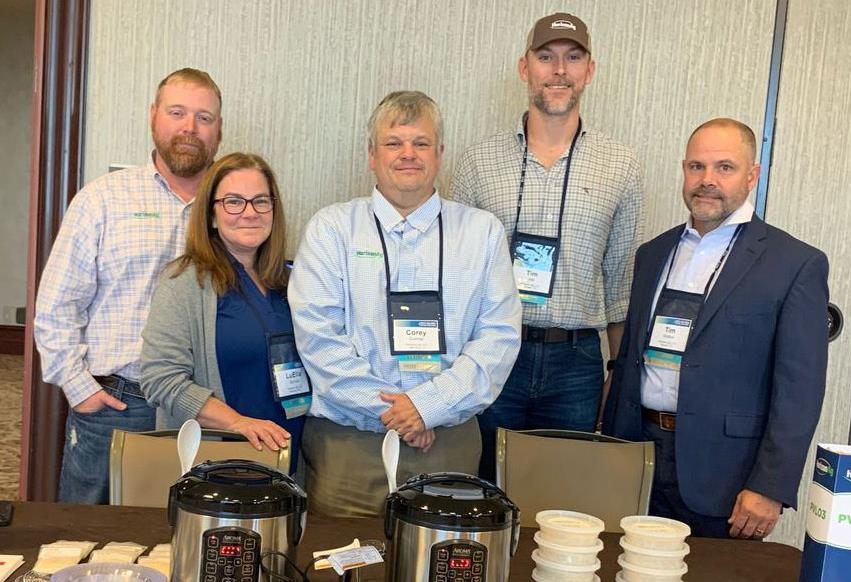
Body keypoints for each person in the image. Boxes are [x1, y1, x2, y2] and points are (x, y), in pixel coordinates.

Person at [290, 90, 522, 516]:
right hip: (349, 448)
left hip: (447, 443)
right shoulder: (332, 229)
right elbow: (318, 338)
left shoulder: (482, 232)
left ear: (440, 153)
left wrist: (427, 407)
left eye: (421, 143)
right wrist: (401, 413)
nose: (407, 154)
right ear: (371, 155)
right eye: (393, 143)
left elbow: (498, 340)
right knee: (343, 567)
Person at [602, 118, 829, 539]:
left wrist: (770, 485)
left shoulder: (794, 264)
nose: (707, 181)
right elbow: (633, 359)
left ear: (752, 175)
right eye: (696, 167)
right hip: (637, 459)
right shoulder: (653, 254)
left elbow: (800, 389)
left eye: (724, 167)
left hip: (724, 475)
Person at [452, 12, 643, 479]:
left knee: (562, 500)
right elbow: (454, 278)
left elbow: (620, 282)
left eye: (572, 58)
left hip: (575, 363)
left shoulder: (621, 166)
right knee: (483, 492)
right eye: (546, 57)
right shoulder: (478, 161)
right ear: (525, 68)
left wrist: (615, 371)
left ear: (589, 71)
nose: (559, 70)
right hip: (493, 352)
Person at [34, 68, 222, 503]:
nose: (189, 128)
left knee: (191, 539)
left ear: (219, 129)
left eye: (204, 117)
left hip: (205, 406)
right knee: (87, 541)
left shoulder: (236, 205)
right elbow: (57, 306)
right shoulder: (103, 199)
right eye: (177, 112)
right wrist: (82, 390)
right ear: (154, 116)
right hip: (118, 404)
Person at [141, 153, 303, 466]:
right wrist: (237, 424)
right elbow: (160, 379)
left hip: (289, 455)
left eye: (260, 201)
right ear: (211, 215)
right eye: (233, 201)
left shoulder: (292, 280)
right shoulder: (184, 282)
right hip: (218, 460)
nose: (249, 212)